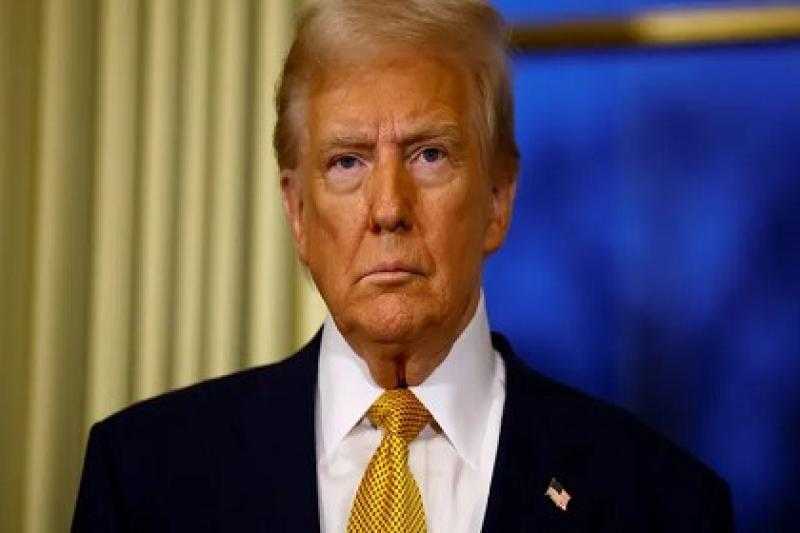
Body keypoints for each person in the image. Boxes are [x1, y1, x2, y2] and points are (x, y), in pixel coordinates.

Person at [72, 1, 733, 531]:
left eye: (429, 155)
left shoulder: (663, 503)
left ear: (498, 198)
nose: (388, 208)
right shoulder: (145, 478)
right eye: (347, 162)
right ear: (298, 212)